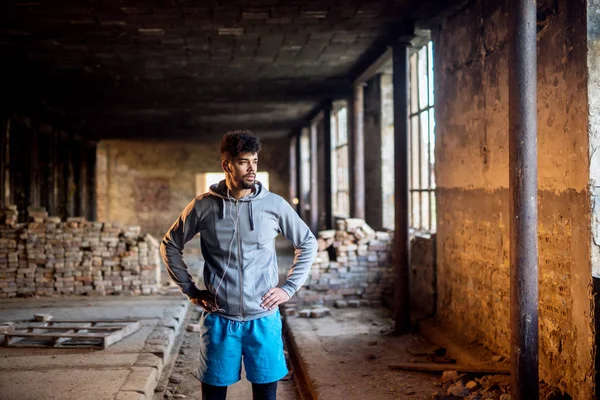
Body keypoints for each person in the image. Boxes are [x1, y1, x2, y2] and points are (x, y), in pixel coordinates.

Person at [160, 129, 318, 400]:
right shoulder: (203, 207)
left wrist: (288, 288)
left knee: (266, 395)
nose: (252, 168)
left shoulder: (274, 205)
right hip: (220, 318)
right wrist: (190, 289)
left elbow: (308, 242)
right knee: (213, 395)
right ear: (227, 165)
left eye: (255, 161)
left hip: (263, 319)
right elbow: (170, 244)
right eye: (244, 161)